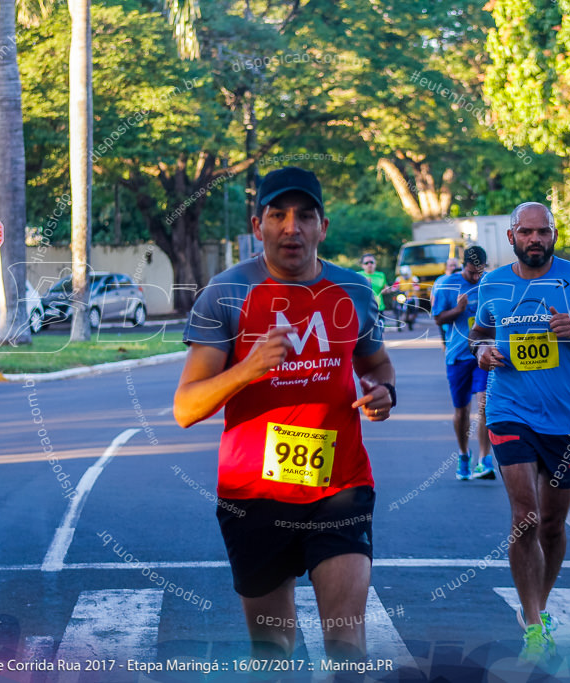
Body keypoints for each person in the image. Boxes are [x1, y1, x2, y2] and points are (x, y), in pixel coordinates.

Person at [174, 166, 396, 662]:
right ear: (258, 226)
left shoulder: (355, 292)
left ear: (324, 226)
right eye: (278, 215)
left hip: (340, 488)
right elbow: (186, 408)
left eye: (305, 215)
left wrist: (384, 393)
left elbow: (378, 365)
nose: (291, 227)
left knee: (346, 643)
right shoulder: (225, 295)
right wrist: (247, 368)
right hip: (253, 496)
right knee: (272, 651)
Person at [470, 202, 570, 664]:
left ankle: (541, 603)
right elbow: (477, 334)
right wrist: (482, 351)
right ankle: (533, 622)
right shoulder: (492, 283)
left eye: (543, 232)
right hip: (509, 410)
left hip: (566, 419)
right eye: (526, 232)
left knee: (553, 525)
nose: (535, 239)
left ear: (554, 235)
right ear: (512, 236)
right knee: (525, 517)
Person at [431, 247, 494, 481]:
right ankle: (463, 455)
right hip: (458, 354)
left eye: (479, 272)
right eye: (471, 273)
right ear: (463, 266)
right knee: (461, 411)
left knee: (485, 405)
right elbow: (437, 318)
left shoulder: (489, 283)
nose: (476, 277)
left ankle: (484, 460)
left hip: (483, 353)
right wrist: (458, 309)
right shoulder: (447, 285)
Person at [432, 258, 461, 350]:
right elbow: (433, 297)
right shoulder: (440, 281)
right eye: (451, 265)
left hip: (459, 316)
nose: (453, 267)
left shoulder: (461, 279)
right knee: (446, 343)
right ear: (446, 267)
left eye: (455, 265)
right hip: (444, 315)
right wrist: (434, 310)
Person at [388, 266, 422, 331]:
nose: (405, 276)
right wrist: (393, 289)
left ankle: (414, 315)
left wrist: (415, 289)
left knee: (415, 304)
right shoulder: (399, 279)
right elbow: (395, 286)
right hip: (402, 296)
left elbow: (416, 286)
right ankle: (398, 315)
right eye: (404, 274)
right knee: (396, 302)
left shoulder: (413, 278)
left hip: (411, 296)